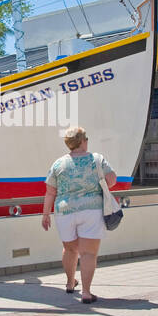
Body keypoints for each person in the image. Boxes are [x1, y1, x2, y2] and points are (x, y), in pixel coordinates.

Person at [41, 125, 116, 305]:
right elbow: (112, 180)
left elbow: (50, 191)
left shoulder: (58, 163)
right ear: (82, 141)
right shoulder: (97, 159)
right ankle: (87, 293)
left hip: (65, 212)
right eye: (86, 138)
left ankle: (69, 283)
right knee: (88, 253)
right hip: (91, 210)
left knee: (69, 249)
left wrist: (45, 214)